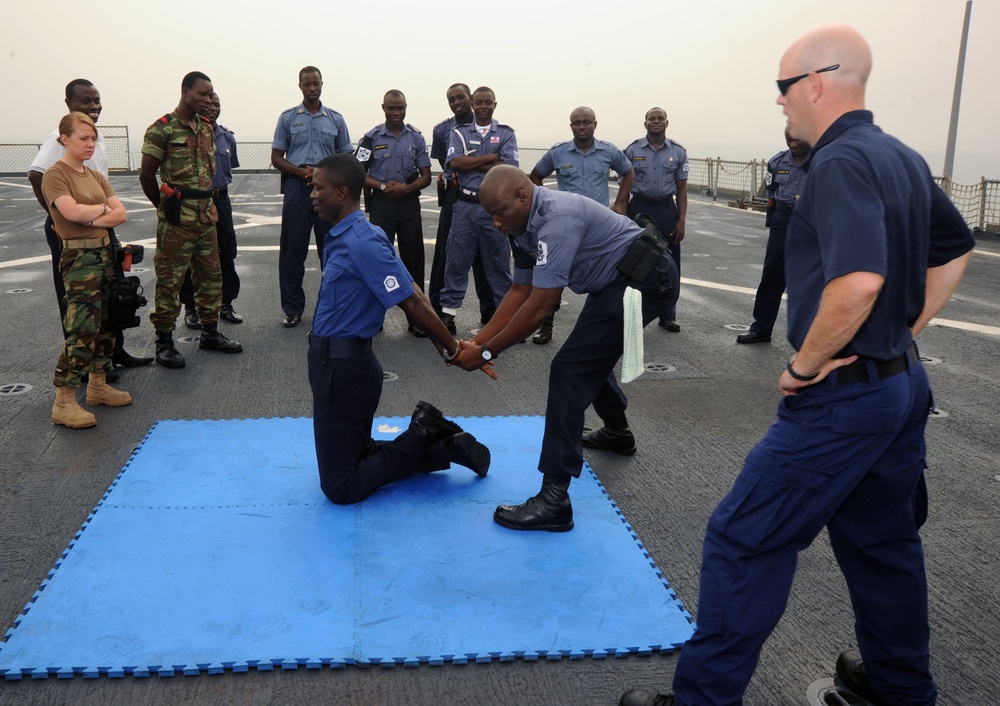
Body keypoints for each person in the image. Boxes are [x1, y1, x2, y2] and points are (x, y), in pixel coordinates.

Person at [620, 25, 975, 706]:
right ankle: (903, 690)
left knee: (744, 540)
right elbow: (953, 247)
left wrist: (807, 365)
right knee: (883, 545)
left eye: (784, 88)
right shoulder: (899, 155)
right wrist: (904, 332)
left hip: (843, 398)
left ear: (816, 83)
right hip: (901, 385)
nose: (780, 103)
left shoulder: (838, 162)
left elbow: (860, 281)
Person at [451, 165, 678, 532]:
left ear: (522, 197)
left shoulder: (558, 219)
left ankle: (554, 498)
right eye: (489, 215)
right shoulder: (521, 223)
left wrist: (488, 353)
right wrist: (478, 341)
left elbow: (541, 306)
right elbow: (519, 291)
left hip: (644, 281)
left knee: (570, 370)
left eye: (499, 213)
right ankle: (618, 433)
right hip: (614, 280)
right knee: (587, 355)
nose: (494, 223)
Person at [307, 154, 491, 504]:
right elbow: (412, 288)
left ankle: (422, 433)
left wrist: (450, 345)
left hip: (345, 370)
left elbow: (412, 300)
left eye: (318, 188)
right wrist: (444, 343)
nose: (313, 194)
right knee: (356, 455)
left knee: (340, 488)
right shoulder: (349, 234)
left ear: (342, 192)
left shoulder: (363, 241)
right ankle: (442, 449)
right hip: (334, 366)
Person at [28, 79, 152, 371]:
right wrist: (58, 216)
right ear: (69, 104)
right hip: (72, 230)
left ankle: (112, 353)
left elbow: (113, 203)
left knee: (110, 292)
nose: (94, 106)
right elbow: (36, 174)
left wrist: (100, 214)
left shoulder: (95, 137)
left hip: (98, 225)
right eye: (85, 101)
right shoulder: (59, 137)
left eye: (96, 101)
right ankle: (79, 368)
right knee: (78, 302)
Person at [140, 71, 242, 369]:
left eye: (211, 95)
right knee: (170, 281)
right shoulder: (163, 129)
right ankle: (165, 342)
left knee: (211, 277)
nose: (208, 100)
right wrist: (162, 206)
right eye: (202, 94)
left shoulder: (207, 128)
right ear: (185, 92)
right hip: (177, 218)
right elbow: (147, 175)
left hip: (206, 214)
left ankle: (210, 333)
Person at [41, 112, 133, 428]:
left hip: (105, 254)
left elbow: (121, 214)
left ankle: (97, 385)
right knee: (82, 326)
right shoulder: (56, 175)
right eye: (83, 138)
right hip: (79, 260)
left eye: (93, 138)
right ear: (64, 139)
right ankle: (64, 401)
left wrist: (93, 217)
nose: (90, 144)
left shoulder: (94, 175)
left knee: (108, 320)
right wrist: (100, 212)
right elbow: (71, 212)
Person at [528, 106, 635, 344]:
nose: (582, 126)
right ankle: (545, 325)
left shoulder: (608, 151)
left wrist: (620, 203)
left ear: (595, 124)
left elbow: (629, 172)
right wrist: (546, 206)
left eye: (586, 122)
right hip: (566, 230)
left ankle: (601, 327)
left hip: (598, 229)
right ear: (571, 126)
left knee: (605, 275)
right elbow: (535, 177)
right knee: (553, 277)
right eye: (577, 123)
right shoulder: (558, 153)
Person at [271, 66, 353, 329]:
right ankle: (293, 309)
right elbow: (276, 157)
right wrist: (299, 171)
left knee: (331, 249)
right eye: (307, 84)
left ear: (322, 85)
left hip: (328, 190)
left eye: (316, 84)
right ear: (300, 86)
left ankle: (331, 307)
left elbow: (346, 156)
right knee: (292, 250)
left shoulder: (336, 119)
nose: (312, 88)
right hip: (297, 188)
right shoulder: (287, 118)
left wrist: (326, 175)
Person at [438, 86, 517, 335]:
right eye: (479, 102)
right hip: (465, 207)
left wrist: (473, 162)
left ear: (495, 105)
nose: (483, 106)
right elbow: (455, 163)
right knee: (456, 261)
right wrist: (491, 159)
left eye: (488, 102)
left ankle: (506, 318)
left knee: (498, 263)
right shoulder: (459, 133)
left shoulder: (505, 134)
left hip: (494, 210)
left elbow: (510, 168)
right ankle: (448, 315)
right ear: (472, 103)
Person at [355, 89, 432, 337]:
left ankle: (417, 319)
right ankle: (374, 318)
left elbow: (426, 176)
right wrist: (384, 186)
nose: (396, 113)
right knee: (378, 260)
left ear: (406, 107)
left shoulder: (416, 139)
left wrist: (406, 189)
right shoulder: (370, 138)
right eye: (391, 108)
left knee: (414, 259)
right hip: (382, 204)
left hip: (409, 204)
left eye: (400, 108)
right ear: (383, 108)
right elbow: (359, 173)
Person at [428, 83, 496, 327]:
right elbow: (448, 163)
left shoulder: (491, 128)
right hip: (454, 192)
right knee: (448, 253)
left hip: (486, 194)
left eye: (461, 97)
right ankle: (441, 311)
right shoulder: (442, 130)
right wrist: (464, 166)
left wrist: (467, 163)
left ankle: (491, 313)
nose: (457, 102)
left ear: (471, 99)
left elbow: (501, 163)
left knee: (486, 255)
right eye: (451, 99)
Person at [737, 129, 810, 344]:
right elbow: (771, 191)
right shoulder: (776, 162)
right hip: (783, 221)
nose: (793, 144)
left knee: (810, 281)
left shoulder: (821, 160)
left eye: (797, 140)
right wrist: (774, 221)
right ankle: (761, 328)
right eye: (789, 140)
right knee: (772, 277)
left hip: (811, 224)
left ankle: (810, 338)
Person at [180, 92, 243, 329]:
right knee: (191, 255)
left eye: (217, 104)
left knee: (226, 251)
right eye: (209, 103)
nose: (212, 107)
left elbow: (229, 169)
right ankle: (190, 307)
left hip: (220, 200)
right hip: (194, 203)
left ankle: (226, 304)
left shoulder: (227, 137)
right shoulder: (188, 134)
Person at [625, 108, 689, 332]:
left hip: (665, 210)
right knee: (633, 260)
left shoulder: (678, 152)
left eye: (660, 118)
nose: (656, 122)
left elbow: (681, 190)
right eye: (652, 119)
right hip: (638, 208)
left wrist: (681, 220)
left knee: (670, 261)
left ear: (667, 123)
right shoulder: (632, 150)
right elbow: (625, 185)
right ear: (645, 124)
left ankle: (668, 314)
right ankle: (632, 313)